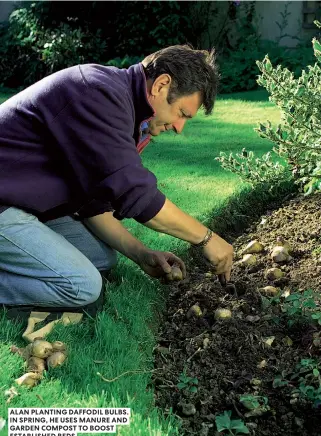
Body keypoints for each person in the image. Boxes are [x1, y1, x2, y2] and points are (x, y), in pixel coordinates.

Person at [0, 44, 233, 318]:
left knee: (100, 257)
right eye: (182, 113)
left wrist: (142, 254)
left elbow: (91, 203)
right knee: (82, 287)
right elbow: (136, 194)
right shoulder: (96, 93)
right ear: (161, 85)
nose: (179, 127)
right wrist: (206, 238)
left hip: (19, 203)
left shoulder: (121, 107)